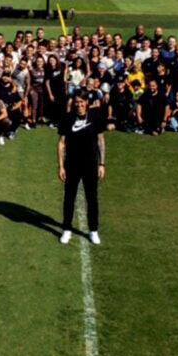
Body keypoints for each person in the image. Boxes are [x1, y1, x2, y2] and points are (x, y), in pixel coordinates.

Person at [57, 93, 105, 245]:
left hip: (90, 164)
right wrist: (61, 166)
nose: (79, 105)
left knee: (92, 198)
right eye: (76, 102)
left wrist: (102, 164)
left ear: (87, 103)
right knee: (69, 198)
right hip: (72, 164)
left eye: (82, 102)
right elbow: (61, 143)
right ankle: (66, 229)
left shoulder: (95, 117)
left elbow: (100, 141)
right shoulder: (67, 118)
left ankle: (93, 230)